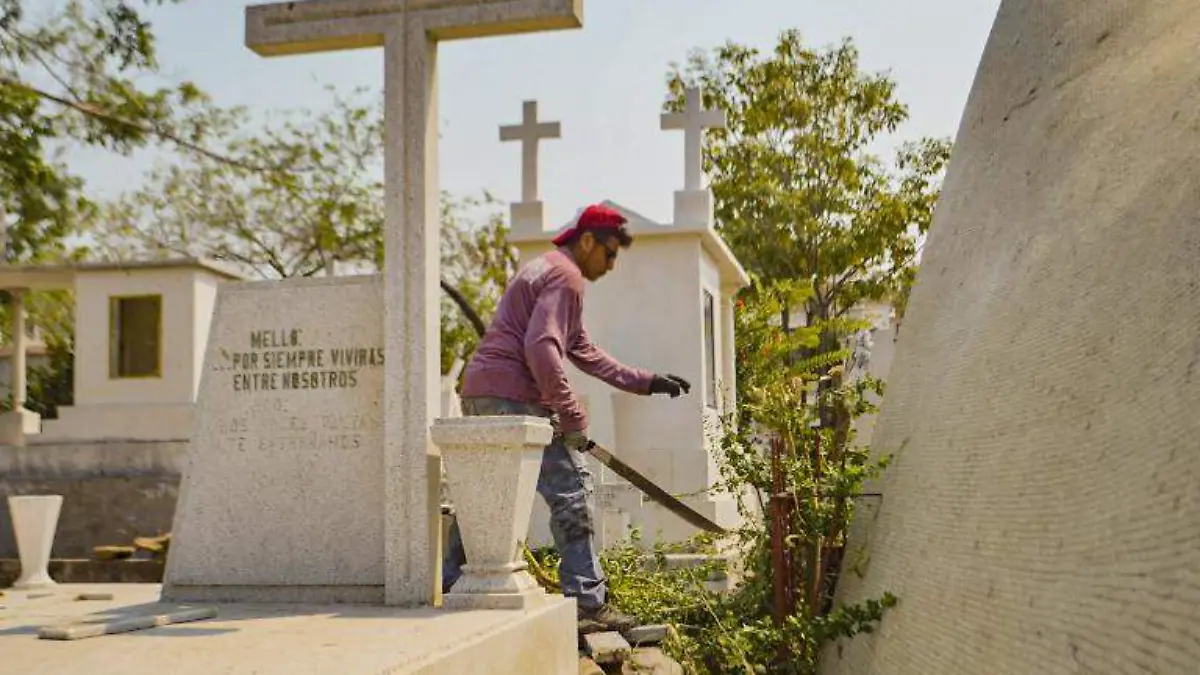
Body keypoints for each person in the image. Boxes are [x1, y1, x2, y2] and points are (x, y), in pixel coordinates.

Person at [442, 203, 691, 634]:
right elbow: (542, 347)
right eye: (609, 254)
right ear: (589, 241)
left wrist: (647, 381)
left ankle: (450, 584)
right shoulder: (567, 276)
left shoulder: (545, 268)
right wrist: (572, 415)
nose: (611, 265)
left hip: (481, 388)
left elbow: (583, 351)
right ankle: (586, 602)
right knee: (572, 491)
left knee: (485, 492)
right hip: (513, 396)